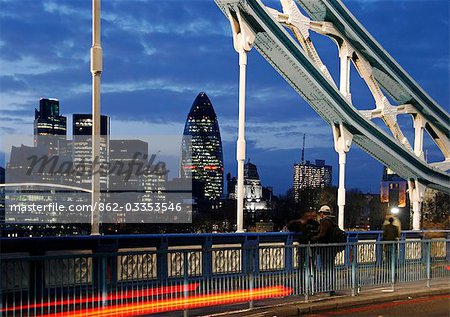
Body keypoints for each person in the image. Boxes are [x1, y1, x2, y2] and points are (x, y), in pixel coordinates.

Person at [310, 205, 339, 296]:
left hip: (325, 248)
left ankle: (329, 289)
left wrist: (313, 238)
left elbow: (322, 235)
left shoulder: (325, 222)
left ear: (322, 213)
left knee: (327, 268)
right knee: (331, 268)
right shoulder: (332, 221)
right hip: (332, 248)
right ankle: (331, 288)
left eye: (320, 213)